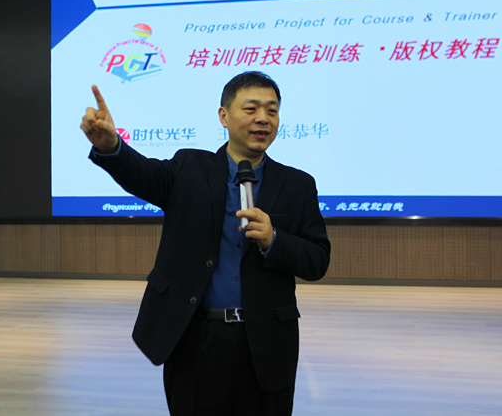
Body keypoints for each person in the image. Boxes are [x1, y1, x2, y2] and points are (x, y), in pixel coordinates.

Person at [81, 71, 330, 415]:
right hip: (196, 338)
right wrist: (111, 147)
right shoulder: (189, 169)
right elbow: (142, 174)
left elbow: (317, 260)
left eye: (272, 111)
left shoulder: (298, 185)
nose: (263, 118)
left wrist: (275, 240)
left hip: (265, 342)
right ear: (223, 116)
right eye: (251, 109)